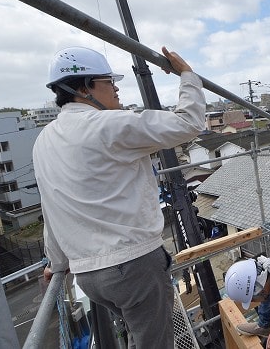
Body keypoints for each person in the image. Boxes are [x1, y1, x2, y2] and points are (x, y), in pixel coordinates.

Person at [33, 46, 206, 348]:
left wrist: (57, 263)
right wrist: (187, 75)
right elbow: (188, 123)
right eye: (108, 82)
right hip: (133, 265)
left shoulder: (43, 141)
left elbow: (52, 209)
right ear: (86, 87)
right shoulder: (109, 124)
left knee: (135, 334)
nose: (115, 89)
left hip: (89, 277)